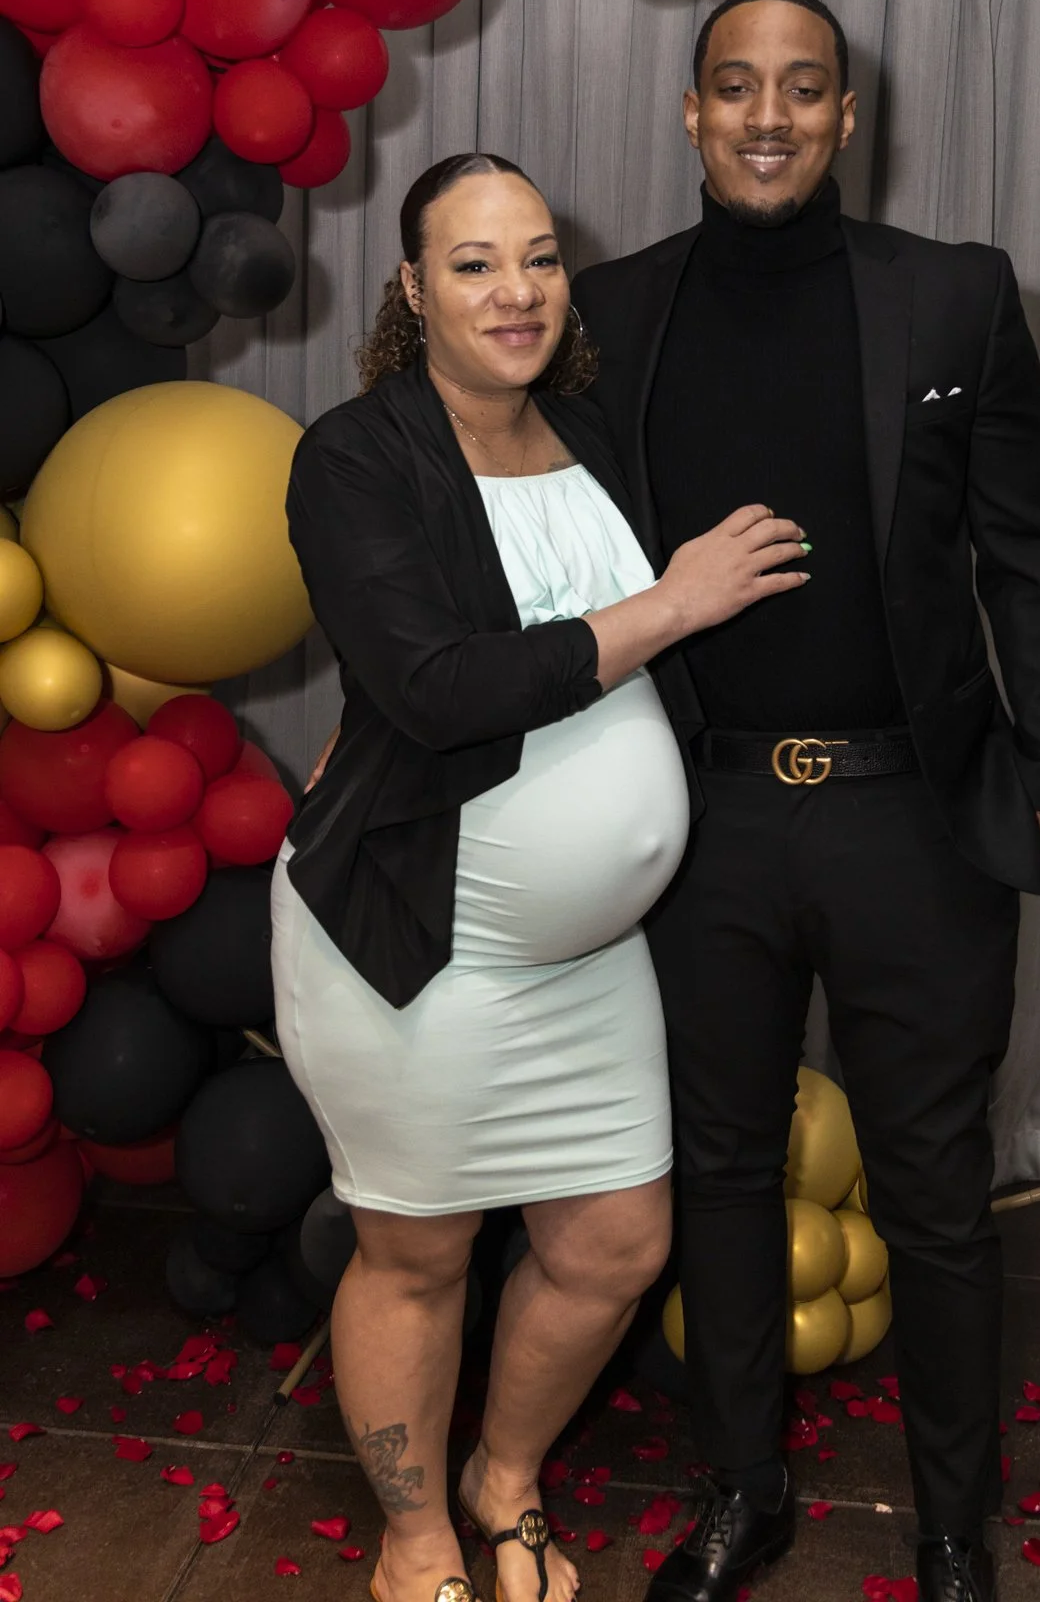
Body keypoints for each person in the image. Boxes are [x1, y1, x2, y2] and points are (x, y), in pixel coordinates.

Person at [573, 0, 1040, 1602]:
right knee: (719, 1167)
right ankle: (744, 1490)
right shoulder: (614, 312)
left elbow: (1032, 551)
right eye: (739, 86)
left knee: (937, 1192)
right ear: (693, 112)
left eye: (805, 88)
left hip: (909, 820)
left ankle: (952, 1528)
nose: (772, 115)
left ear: (849, 117)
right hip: (698, 816)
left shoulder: (954, 299)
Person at [271, 152, 810, 1602]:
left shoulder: (589, 433)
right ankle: (413, 1534)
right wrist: (669, 604)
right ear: (412, 289)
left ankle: (501, 1481)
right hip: (420, 939)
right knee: (419, 1255)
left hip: (584, 962)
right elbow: (439, 686)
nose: (515, 291)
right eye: (472, 263)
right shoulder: (357, 454)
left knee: (619, 1242)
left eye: (539, 258)